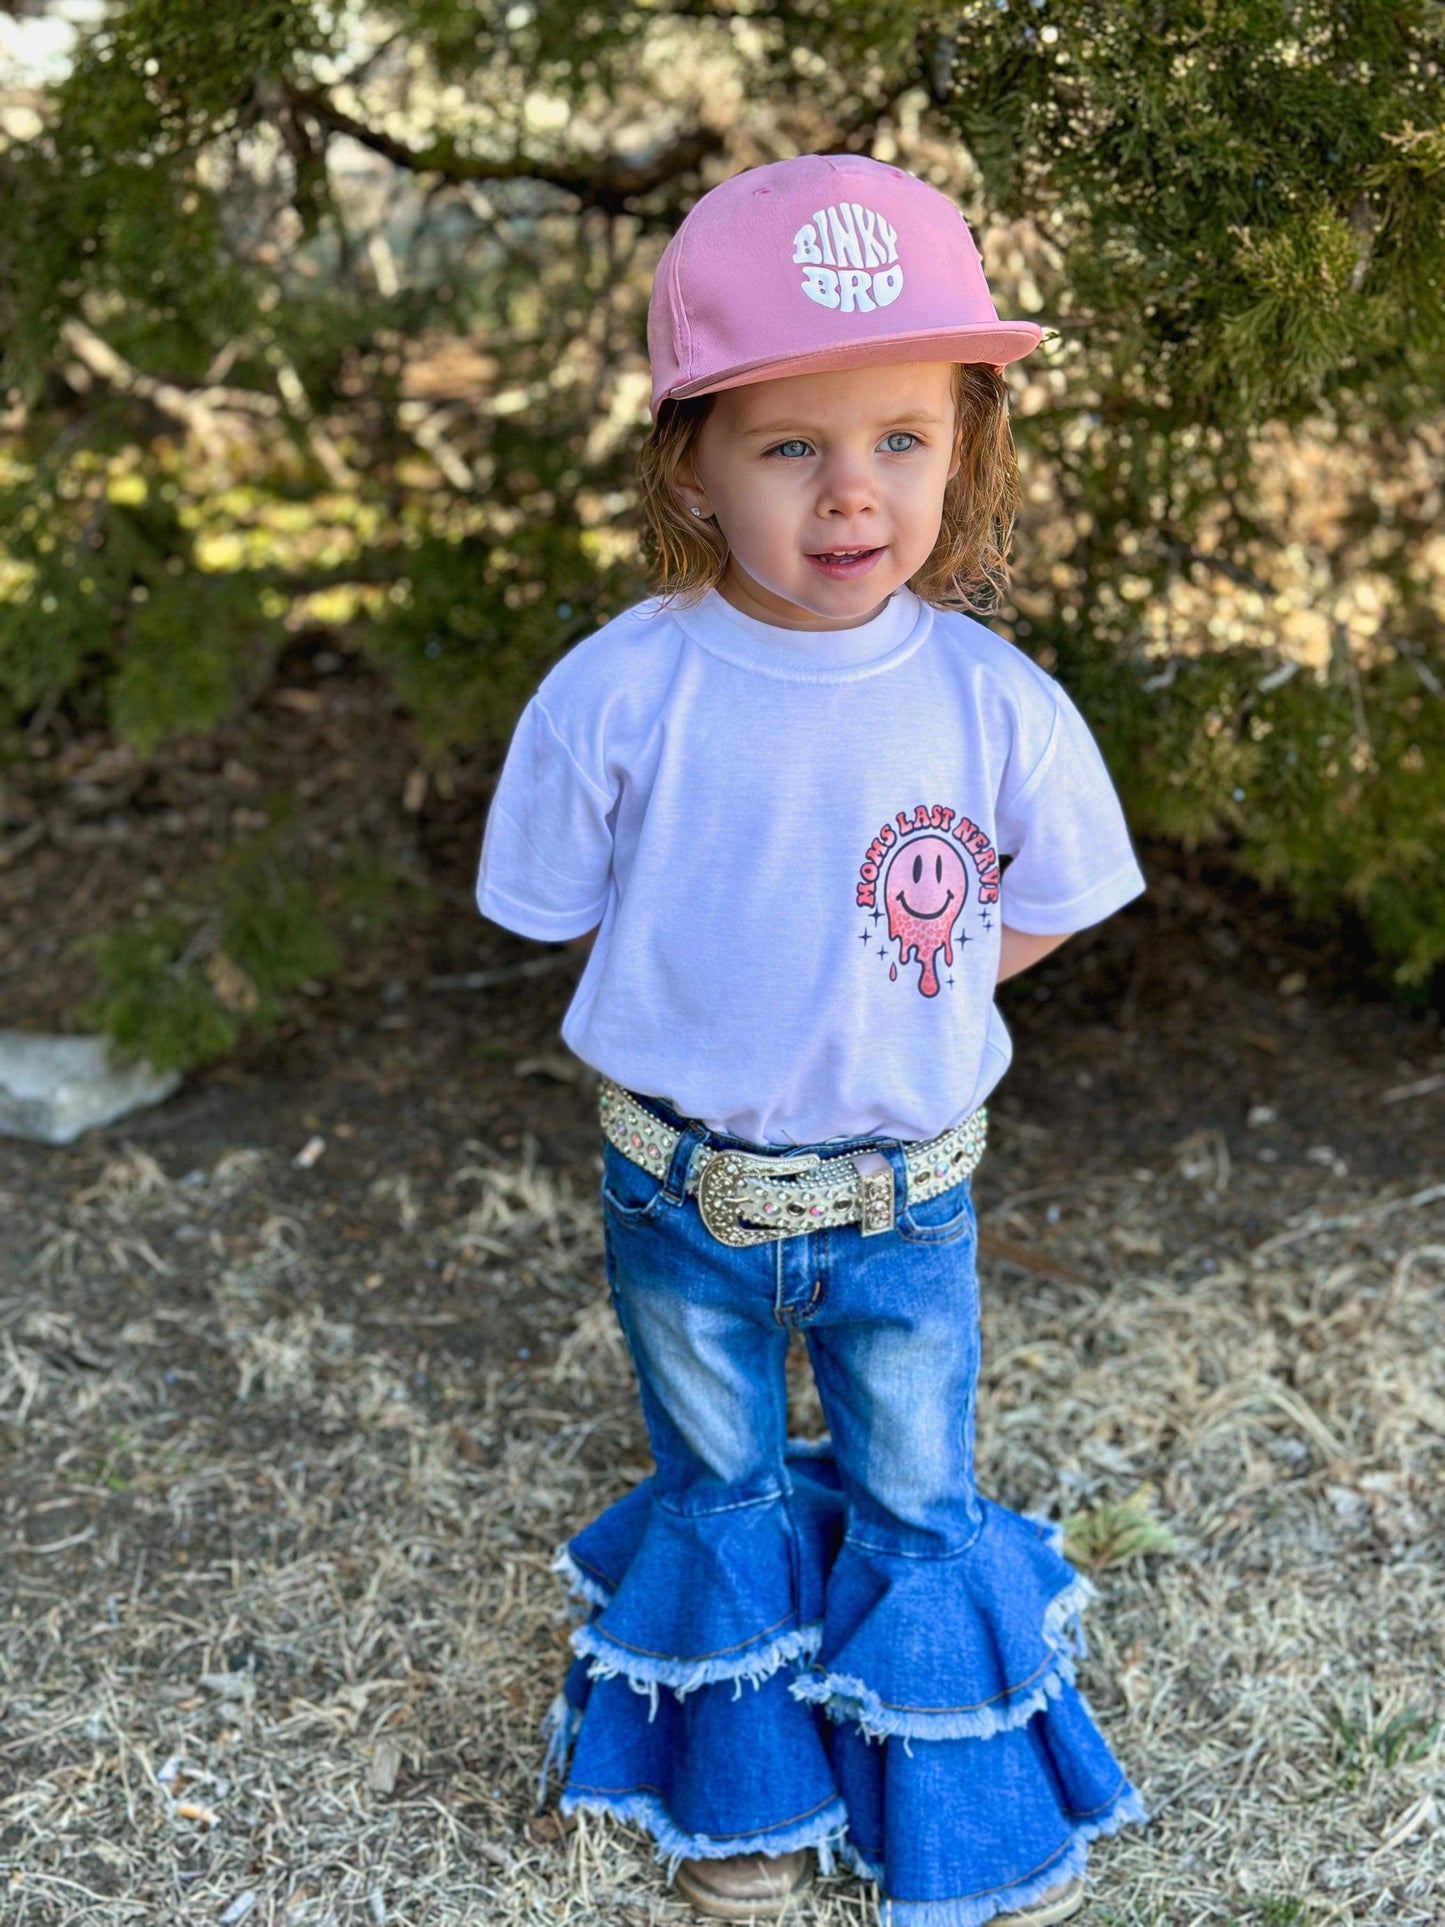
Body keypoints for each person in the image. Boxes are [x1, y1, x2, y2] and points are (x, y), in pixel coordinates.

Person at [476, 152, 1149, 1927]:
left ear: (962, 445)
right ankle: (747, 1795)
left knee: (917, 1493)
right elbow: (548, 904)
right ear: (687, 459)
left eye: (901, 440)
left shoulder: (987, 699)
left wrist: (928, 987)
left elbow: (1064, 885)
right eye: (790, 447)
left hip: (903, 1201)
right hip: (678, 1196)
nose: (853, 494)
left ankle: (954, 1806)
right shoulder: (624, 688)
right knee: (719, 1485)